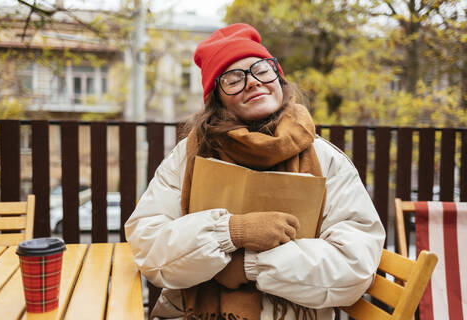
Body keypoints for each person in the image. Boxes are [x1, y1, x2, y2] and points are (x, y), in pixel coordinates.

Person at [125, 23, 385, 320]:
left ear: (278, 77)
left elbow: (355, 265)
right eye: (233, 79)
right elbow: (148, 244)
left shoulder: (326, 159)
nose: (252, 82)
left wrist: (249, 264)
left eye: (262, 70)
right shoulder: (188, 156)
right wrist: (230, 232)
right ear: (216, 98)